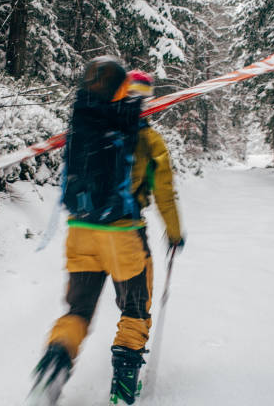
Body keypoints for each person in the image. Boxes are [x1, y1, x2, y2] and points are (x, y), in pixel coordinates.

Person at [31, 57, 184, 406]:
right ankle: (123, 388)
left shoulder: (85, 126)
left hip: (80, 232)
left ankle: (56, 358)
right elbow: (164, 191)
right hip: (124, 238)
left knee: (77, 311)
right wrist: (174, 233)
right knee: (134, 311)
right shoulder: (147, 138)